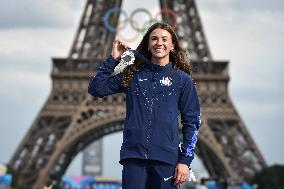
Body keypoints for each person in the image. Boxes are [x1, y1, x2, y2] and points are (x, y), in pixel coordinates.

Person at [88, 22, 201, 189]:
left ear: (172, 45)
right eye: (154, 39)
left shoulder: (182, 80)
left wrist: (185, 161)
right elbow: (96, 88)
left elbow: (192, 122)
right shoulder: (133, 75)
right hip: (134, 158)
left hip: (166, 160)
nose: (159, 43)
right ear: (148, 45)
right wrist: (113, 59)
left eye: (164, 39)